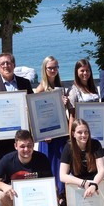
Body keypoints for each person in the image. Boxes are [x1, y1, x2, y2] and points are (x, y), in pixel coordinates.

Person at [0, 52, 34, 164]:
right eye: (2, 63)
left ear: (14, 65)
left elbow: (33, 107)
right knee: (4, 170)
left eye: (8, 63)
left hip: (22, 137)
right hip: (1, 138)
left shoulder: (25, 83)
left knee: (24, 168)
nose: (5, 66)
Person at [34, 56, 69, 195]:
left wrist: (64, 103)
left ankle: (62, 192)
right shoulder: (41, 87)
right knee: (50, 163)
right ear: (45, 69)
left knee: (63, 161)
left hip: (61, 130)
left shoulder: (60, 85)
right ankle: (52, 194)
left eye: (55, 67)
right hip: (48, 134)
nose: (53, 70)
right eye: (50, 67)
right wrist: (44, 134)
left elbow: (62, 111)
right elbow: (36, 113)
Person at [59, 119, 104, 200]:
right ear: (73, 133)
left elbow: (102, 170)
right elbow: (62, 176)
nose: (84, 135)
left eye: (86, 132)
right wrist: (83, 183)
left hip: (95, 183)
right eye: (80, 132)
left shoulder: (95, 144)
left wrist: (94, 185)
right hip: (77, 184)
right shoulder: (68, 147)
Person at [67, 58, 100, 129]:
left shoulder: (94, 88)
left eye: (87, 70)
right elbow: (72, 116)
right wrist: (71, 136)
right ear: (76, 72)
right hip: (82, 129)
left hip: (95, 126)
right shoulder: (73, 90)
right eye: (82, 71)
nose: (85, 73)